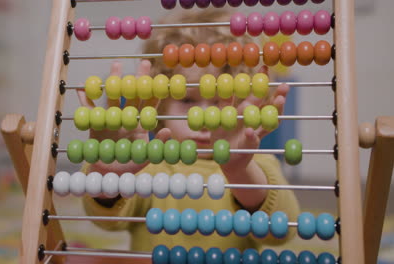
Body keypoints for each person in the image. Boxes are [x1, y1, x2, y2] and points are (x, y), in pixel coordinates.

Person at [78, 8, 300, 253]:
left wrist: (240, 171)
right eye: (187, 101)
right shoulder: (148, 165)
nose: (204, 118)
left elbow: (281, 230)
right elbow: (105, 220)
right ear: (160, 101)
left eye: (221, 101)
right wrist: (108, 176)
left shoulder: (255, 165)